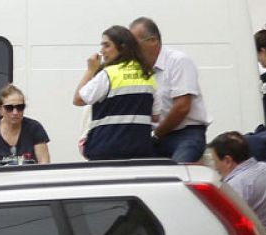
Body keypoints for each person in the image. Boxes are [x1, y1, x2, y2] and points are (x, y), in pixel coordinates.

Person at [132, 17, 211, 163]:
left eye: (135, 44)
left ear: (153, 41)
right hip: (155, 135)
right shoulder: (139, 69)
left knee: (178, 175)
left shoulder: (178, 61)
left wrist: (155, 134)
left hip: (185, 134)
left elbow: (182, 107)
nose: (132, 50)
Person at [74, 25, 155, 161]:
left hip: (106, 149)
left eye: (107, 45)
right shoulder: (148, 75)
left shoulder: (108, 74)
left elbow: (78, 99)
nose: (102, 51)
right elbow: (156, 115)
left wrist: (90, 70)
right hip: (140, 151)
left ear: (122, 47)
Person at [0, 85, 51, 166]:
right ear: (0, 110)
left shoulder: (35, 128)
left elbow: (44, 163)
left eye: (20, 107)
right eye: (9, 108)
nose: (15, 112)